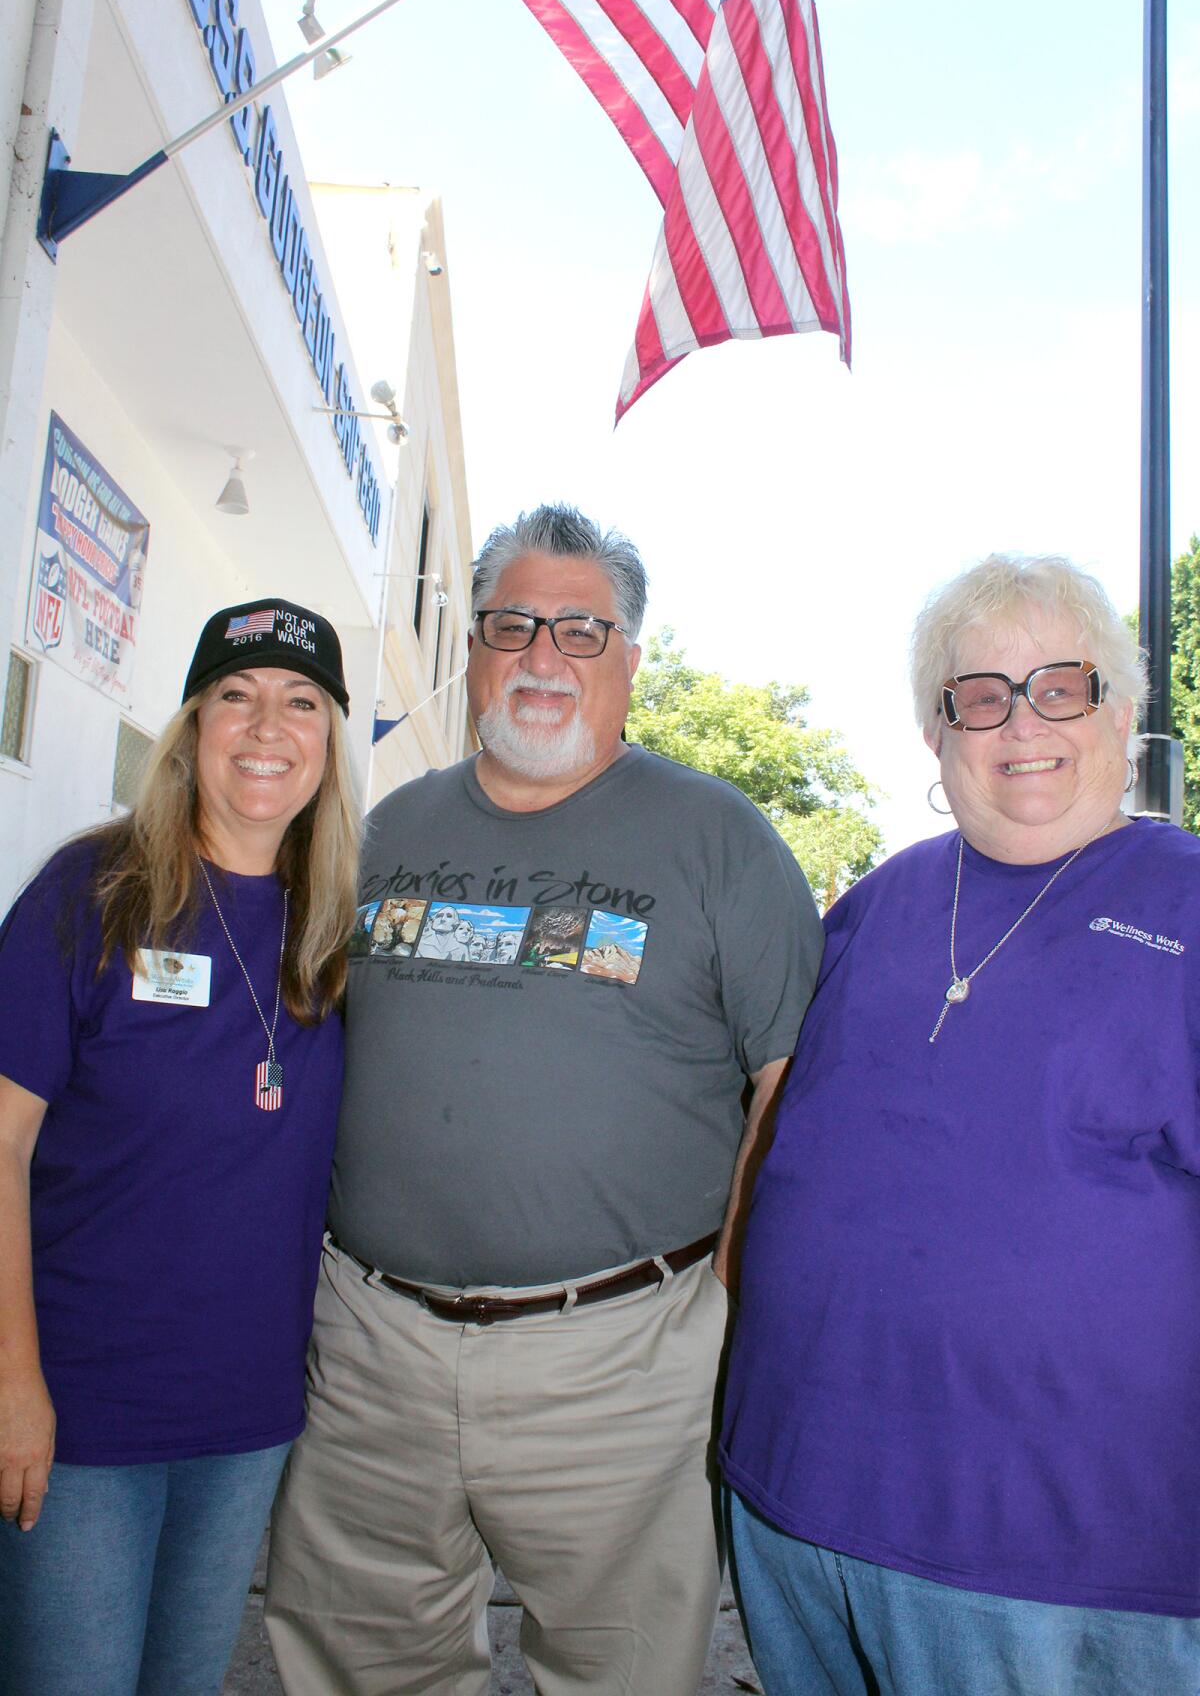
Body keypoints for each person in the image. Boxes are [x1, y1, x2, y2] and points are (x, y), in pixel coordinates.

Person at [265, 505, 824, 1694]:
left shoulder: (722, 840)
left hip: (619, 1357)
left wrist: (717, 1309)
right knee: (365, 1661)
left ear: (630, 656)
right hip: (371, 1349)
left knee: (619, 1668)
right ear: (473, 648)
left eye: (582, 631)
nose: (543, 657)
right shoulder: (386, 833)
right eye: (513, 624)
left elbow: (790, 1091)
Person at [720, 553, 1200, 1695]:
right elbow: (781, 1134)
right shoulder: (875, 902)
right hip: (793, 1506)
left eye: (1060, 686)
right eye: (980, 694)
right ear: (936, 734)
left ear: (1121, 712)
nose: (1020, 722)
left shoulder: (1186, 905)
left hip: (1058, 1556)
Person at [0, 598, 360, 1696]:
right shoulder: (91, 893)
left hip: (247, 1418)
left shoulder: (337, 934)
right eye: (236, 697)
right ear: (193, 726)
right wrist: (13, 1380)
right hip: (82, 1406)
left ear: (331, 743)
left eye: (301, 702)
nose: (266, 728)